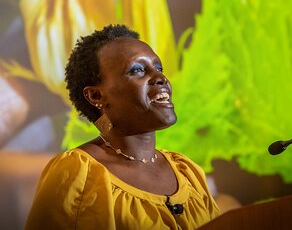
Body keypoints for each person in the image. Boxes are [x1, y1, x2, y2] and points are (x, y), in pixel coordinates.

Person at [25, 24, 220, 229]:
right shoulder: (78, 172)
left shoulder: (188, 172)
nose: (161, 78)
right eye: (138, 70)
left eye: (159, 68)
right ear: (96, 96)